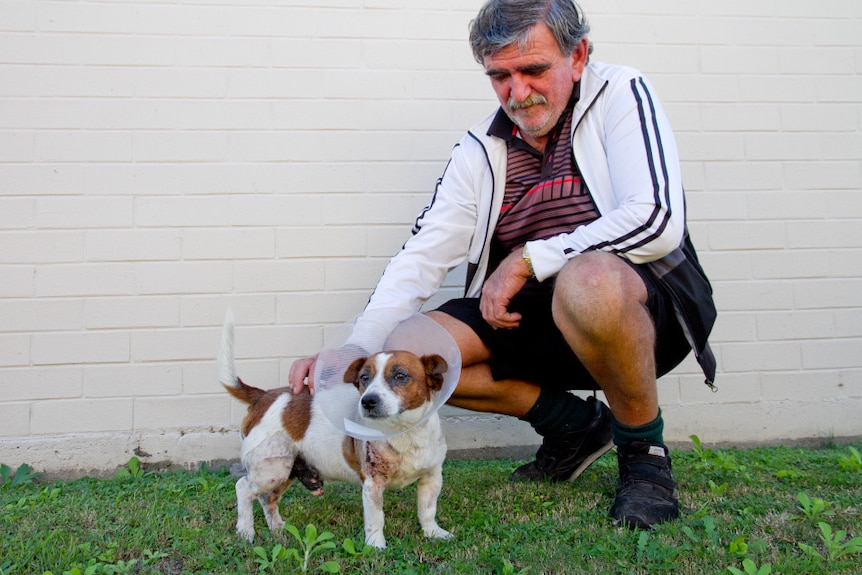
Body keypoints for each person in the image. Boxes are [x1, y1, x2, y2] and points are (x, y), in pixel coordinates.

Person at [289, 0, 716, 529]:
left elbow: (657, 216)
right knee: (408, 348)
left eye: (533, 69)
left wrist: (531, 257)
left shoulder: (620, 95)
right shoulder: (480, 149)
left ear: (577, 54)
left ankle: (644, 456)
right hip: (522, 320)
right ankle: (576, 427)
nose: (518, 92)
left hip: (634, 314)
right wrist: (356, 348)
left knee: (590, 279)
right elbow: (423, 255)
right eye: (500, 76)